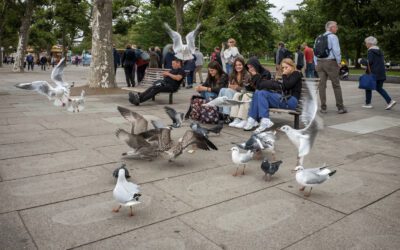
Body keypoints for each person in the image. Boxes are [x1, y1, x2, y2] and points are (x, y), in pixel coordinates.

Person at [244, 58, 301, 133]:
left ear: (292, 66)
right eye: (283, 68)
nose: (284, 69)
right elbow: (282, 88)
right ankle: (253, 119)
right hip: (283, 99)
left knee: (262, 93)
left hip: (291, 101)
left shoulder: (296, 74)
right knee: (258, 92)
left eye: (286, 67)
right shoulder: (287, 75)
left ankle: (264, 120)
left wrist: (283, 75)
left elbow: (287, 85)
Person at [315, 21, 347, 114]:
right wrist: (339, 62)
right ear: (331, 28)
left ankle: (323, 108)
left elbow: (315, 52)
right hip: (330, 62)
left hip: (320, 63)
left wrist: (316, 63)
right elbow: (336, 50)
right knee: (336, 85)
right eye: (336, 27)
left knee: (322, 85)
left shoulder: (318, 37)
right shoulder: (333, 37)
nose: (337, 28)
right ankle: (340, 107)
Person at [359, 36, 396, 110]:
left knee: (368, 87)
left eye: (366, 43)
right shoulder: (379, 51)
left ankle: (368, 103)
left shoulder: (370, 51)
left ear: (370, 43)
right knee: (378, 88)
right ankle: (389, 101)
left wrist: (360, 60)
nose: (366, 44)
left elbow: (369, 62)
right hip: (381, 73)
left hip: (374, 74)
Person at [215, 57, 251, 126]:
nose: (238, 67)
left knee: (228, 91)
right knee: (223, 90)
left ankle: (227, 114)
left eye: (240, 65)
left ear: (243, 65)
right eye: (236, 65)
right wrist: (231, 86)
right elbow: (230, 85)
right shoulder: (233, 74)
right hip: (233, 92)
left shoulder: (246, 75)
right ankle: (220, 111)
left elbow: (246, 90)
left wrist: (236, 87)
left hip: (242, 94)